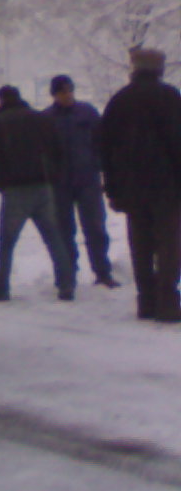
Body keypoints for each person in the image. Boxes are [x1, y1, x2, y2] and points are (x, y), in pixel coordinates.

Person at [100, 48, 181, 322]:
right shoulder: (170, 97)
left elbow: (104, 148)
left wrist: (112, 188)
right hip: (166, 187)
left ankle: (145, 303)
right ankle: (168, 303)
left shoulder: (118, 101)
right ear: (159, 69)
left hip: (131, 188)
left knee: (141, 244)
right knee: (169, 245)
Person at [0, 85, 75, 302]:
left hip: (14, 189)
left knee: (7, 242)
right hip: (43, 186)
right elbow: (58, 150)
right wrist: (53, 177)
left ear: (1, 100)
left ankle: (1, 288)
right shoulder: (41, 119)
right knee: (54, 237)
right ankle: (67, 285)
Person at [47, 74, 119, 288]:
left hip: (87, 180)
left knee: (95, 228)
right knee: (63, 230)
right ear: (54, 95)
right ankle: (68, 274)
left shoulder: (87, 113)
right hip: (59, 183)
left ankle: (102, 272)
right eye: (62, 92)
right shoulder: (47, 119)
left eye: (69, 90)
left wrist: (99, 166)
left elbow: (102, 141)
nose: (67, 95)